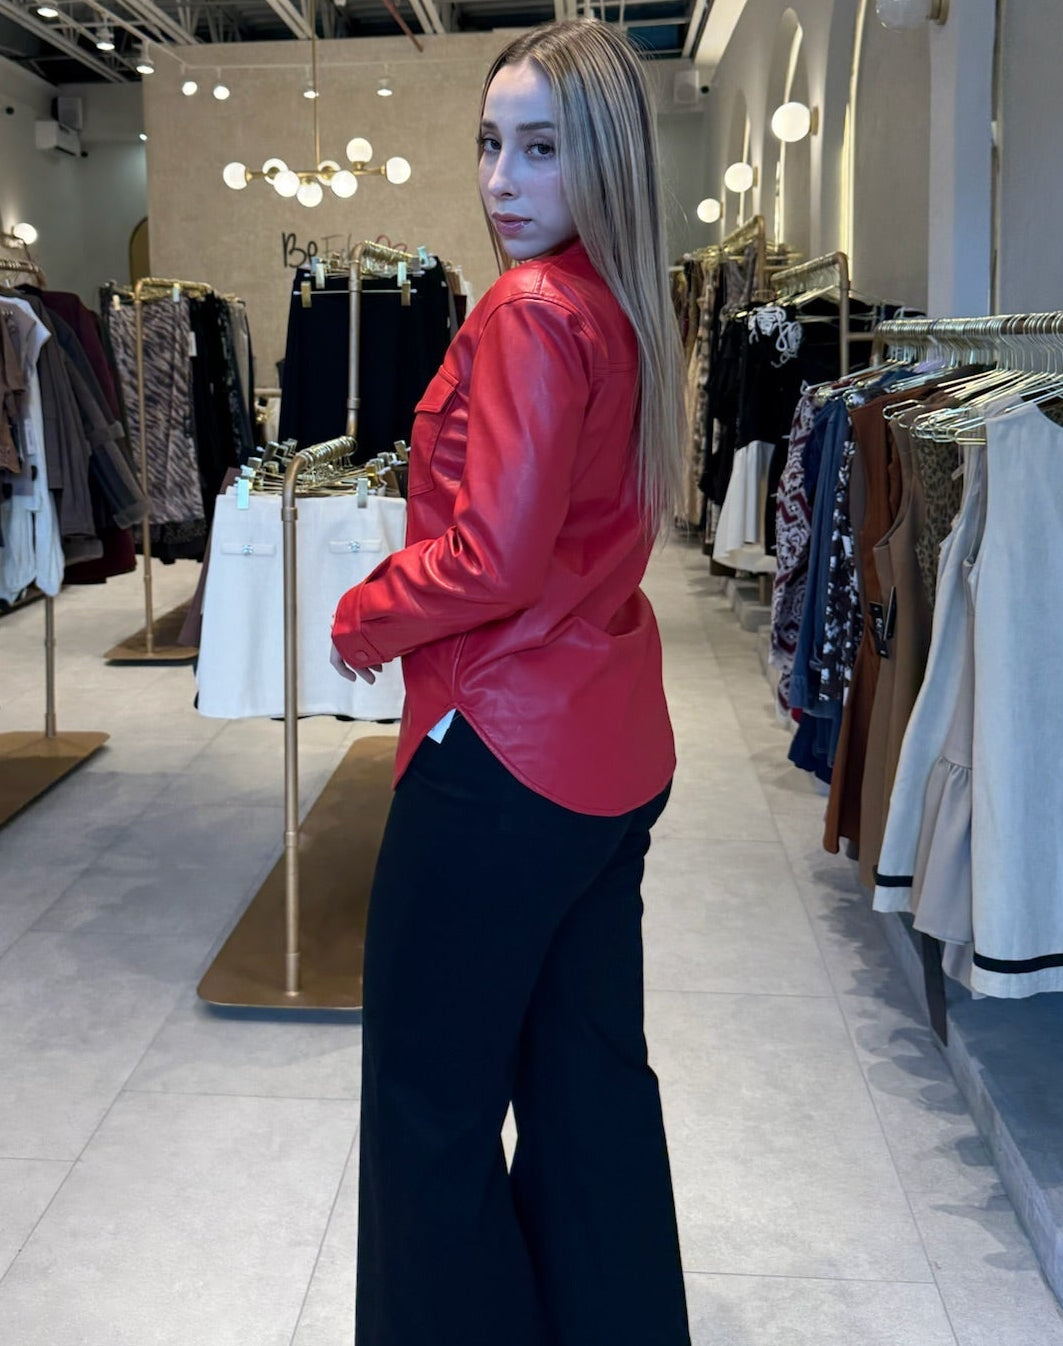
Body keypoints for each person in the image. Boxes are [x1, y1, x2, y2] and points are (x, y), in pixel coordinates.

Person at [331, 19, 692, 1346]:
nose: (500, 180)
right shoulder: (620, 301)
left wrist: (365, 613)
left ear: (604, 160)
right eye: (490, 144)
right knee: (590, 1087)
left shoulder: (530, 309)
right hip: (608, 751)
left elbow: (491, 556)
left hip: (501, 757)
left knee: (425, 1109)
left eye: (540, 149)